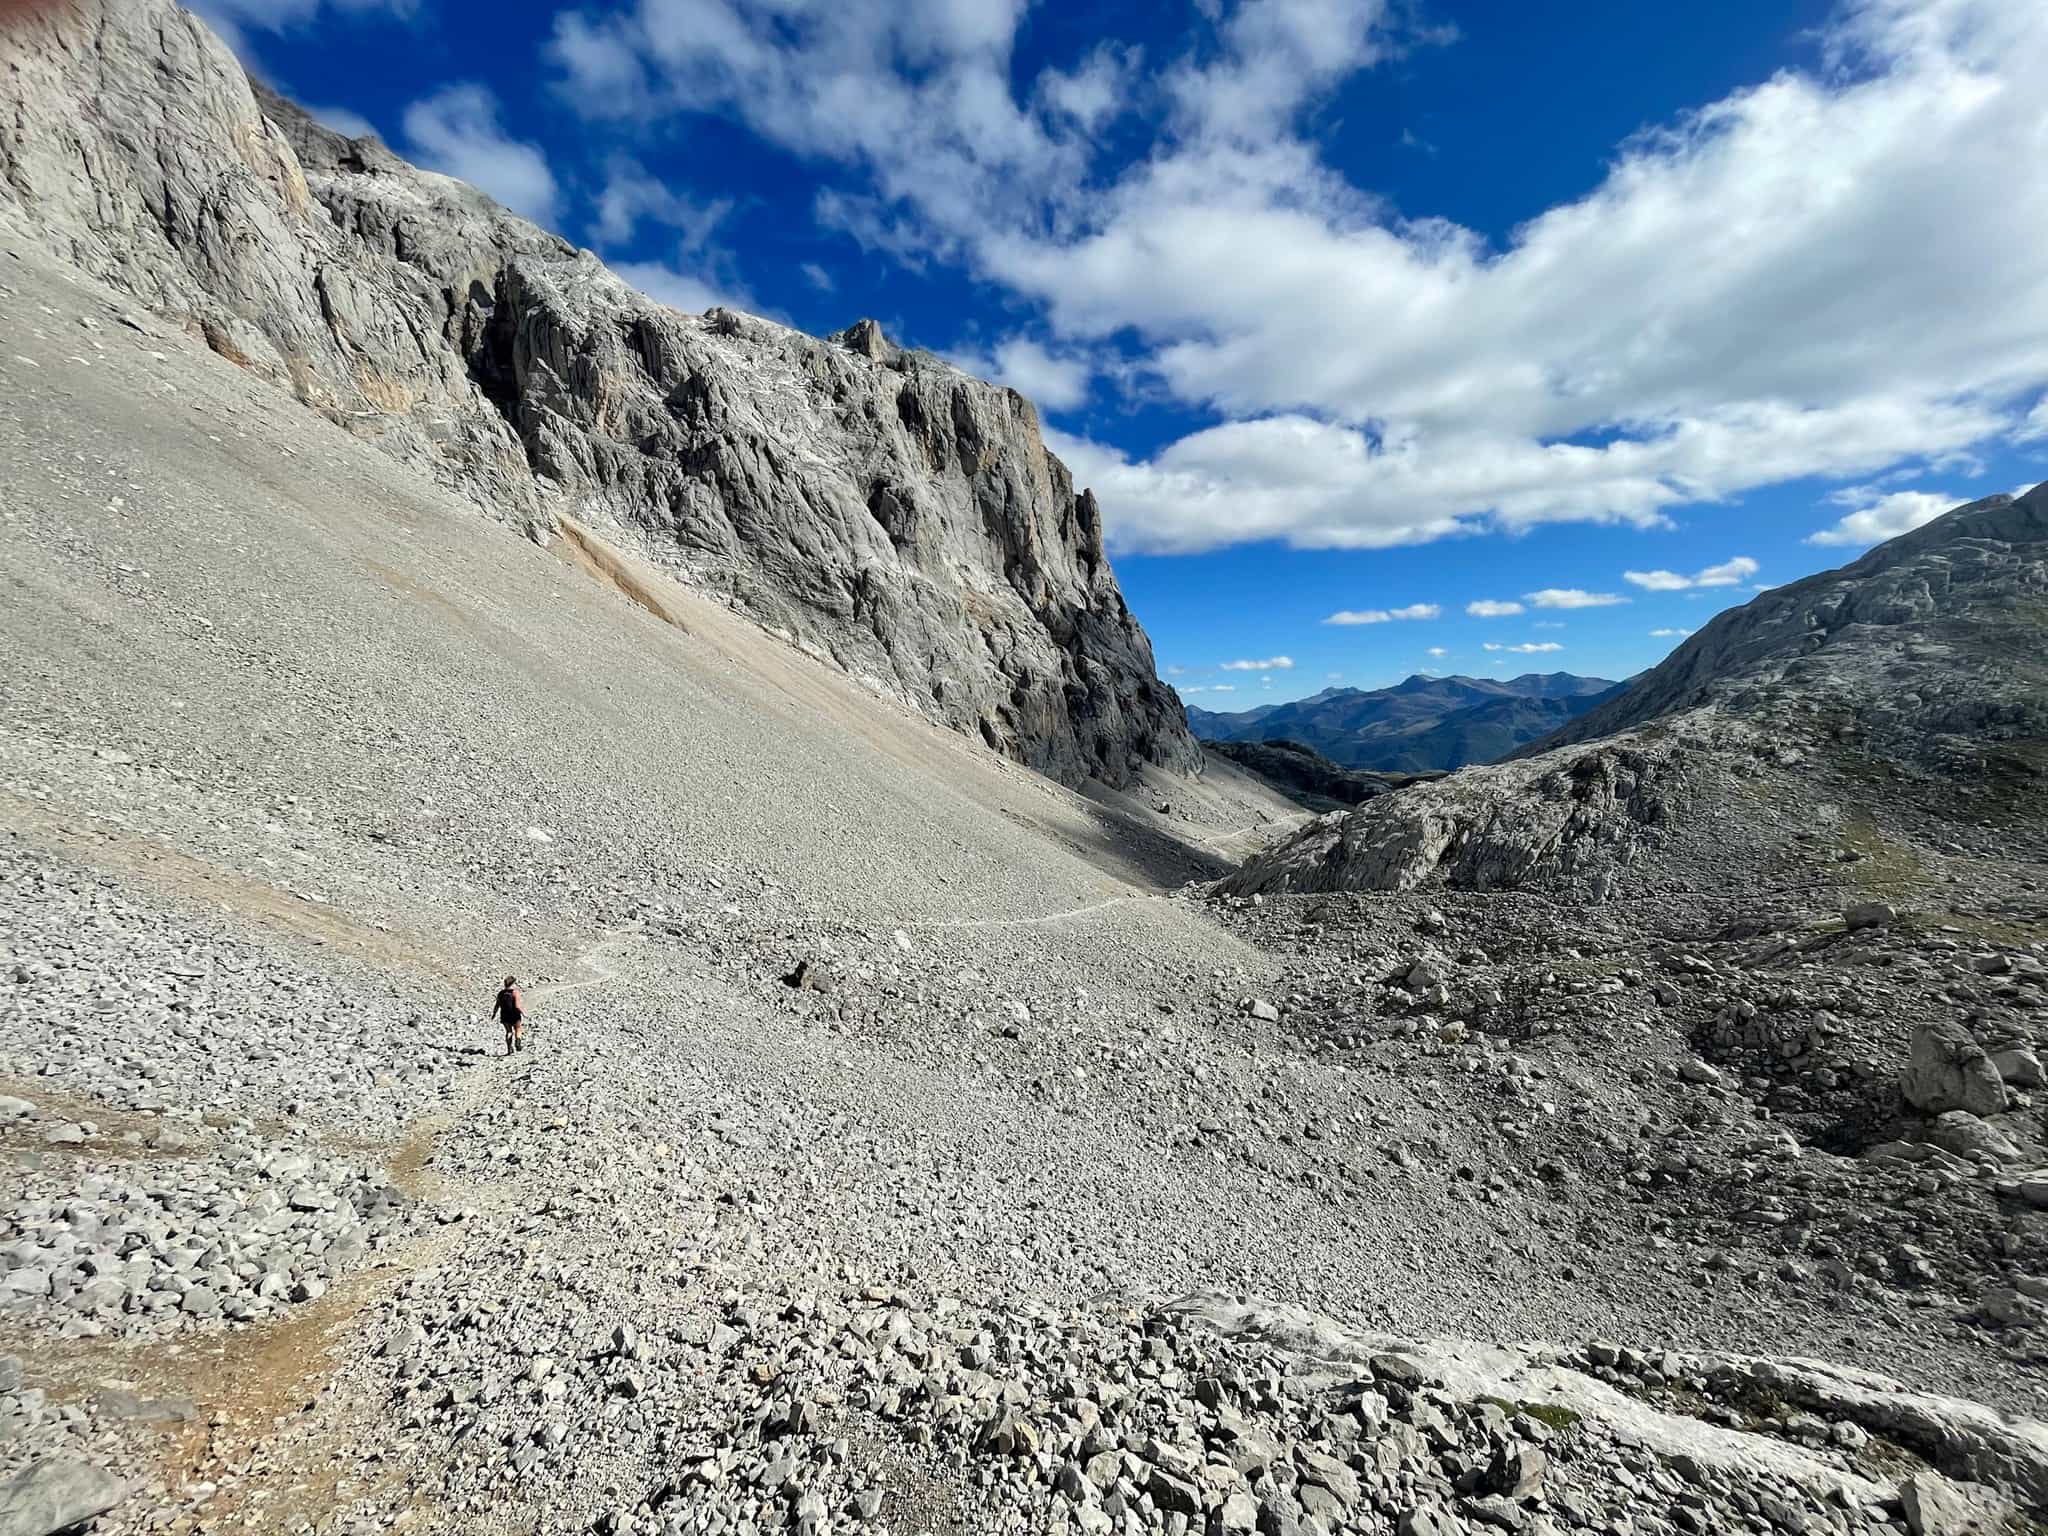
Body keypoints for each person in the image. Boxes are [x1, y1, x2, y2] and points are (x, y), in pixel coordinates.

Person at [492, 975, 525, 1055]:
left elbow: (497, 1005)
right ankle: (518, 1041)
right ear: (513, 983)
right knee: (518, 1028)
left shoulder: (500, 993)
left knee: (508, 1031)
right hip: (514, 1014)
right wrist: (523, 1012)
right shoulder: (515, 992)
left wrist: (494, 1014)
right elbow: (517, 1006)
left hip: (504, 1015)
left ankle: (509, 1048)